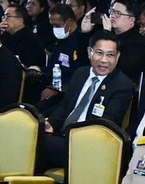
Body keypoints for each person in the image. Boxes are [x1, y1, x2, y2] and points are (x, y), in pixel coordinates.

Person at [39, 31, 137, 168]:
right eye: (99, 53)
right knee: (32, 135)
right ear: (89, 52)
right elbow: (65, 106)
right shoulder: (81, 73)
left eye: (110, 55)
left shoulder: (122, 85)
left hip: (89, 143)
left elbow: (107, 123)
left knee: (39, 143)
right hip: (63, 137)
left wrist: (73, 134)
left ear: (118, 56)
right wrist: (52, 125)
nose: (104, 60)